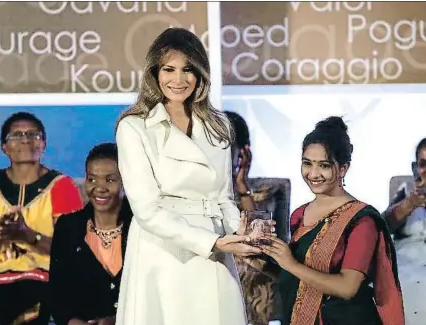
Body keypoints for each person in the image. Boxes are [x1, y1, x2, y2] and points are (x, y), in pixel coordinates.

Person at [114, 27, 264, 325]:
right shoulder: (134, 127)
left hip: (215, 251)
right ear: (154, 72)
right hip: (162, 251)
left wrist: (245, 232)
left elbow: (223, 199)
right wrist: (212, 243)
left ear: (200, 74)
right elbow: (146, 210)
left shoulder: (217, 125)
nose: (178, 80)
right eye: (169, 69)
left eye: (188, 70)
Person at [260, 116, 405, 325]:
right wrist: (261, 263)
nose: (313, 173)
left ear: (343, 169)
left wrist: (289, 262)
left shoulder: (362, 221)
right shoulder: (300, 214)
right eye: (307, 163)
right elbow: (298, 278)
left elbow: (347, 287)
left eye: (324, 165)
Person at [0, 112, 83, 325]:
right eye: (17, 135)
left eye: (33, 134)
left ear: (44, 144)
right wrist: (1, 237)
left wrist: (28, 235)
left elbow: (73, 252)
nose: (25, 139)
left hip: (45, 281)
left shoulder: (61, 186)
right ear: (4, 146)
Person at [49, 143, 133, 325]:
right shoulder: (68, 226)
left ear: (126, 181)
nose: (99, 188)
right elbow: (57, 294)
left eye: (110, 180)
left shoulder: (140, 227)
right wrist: (73, 322)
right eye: (92, 179)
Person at [382, 134, 426, 325]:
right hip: (406, 257)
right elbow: (382, 227)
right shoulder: (406, 191)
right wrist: (408, 205)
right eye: (423, 163)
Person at [225, 111, 282, 325]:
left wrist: (242, 189)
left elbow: (258, 243)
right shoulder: (198, 193)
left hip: (252, 282)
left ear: (242, 152)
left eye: (226, 147)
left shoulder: (265, 193)